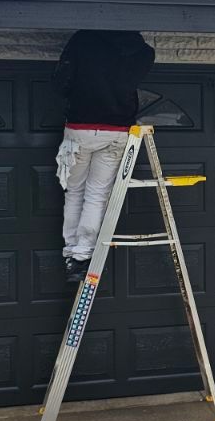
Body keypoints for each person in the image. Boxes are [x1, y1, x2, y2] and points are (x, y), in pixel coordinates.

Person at [50, 29, 155, 282]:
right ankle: (83, 255)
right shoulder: (143, 52)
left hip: (80, 128)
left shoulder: (83, 39)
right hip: (117, 131)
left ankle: (71, 256)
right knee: (97, 194)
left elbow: (61, 79)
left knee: (74, 191)